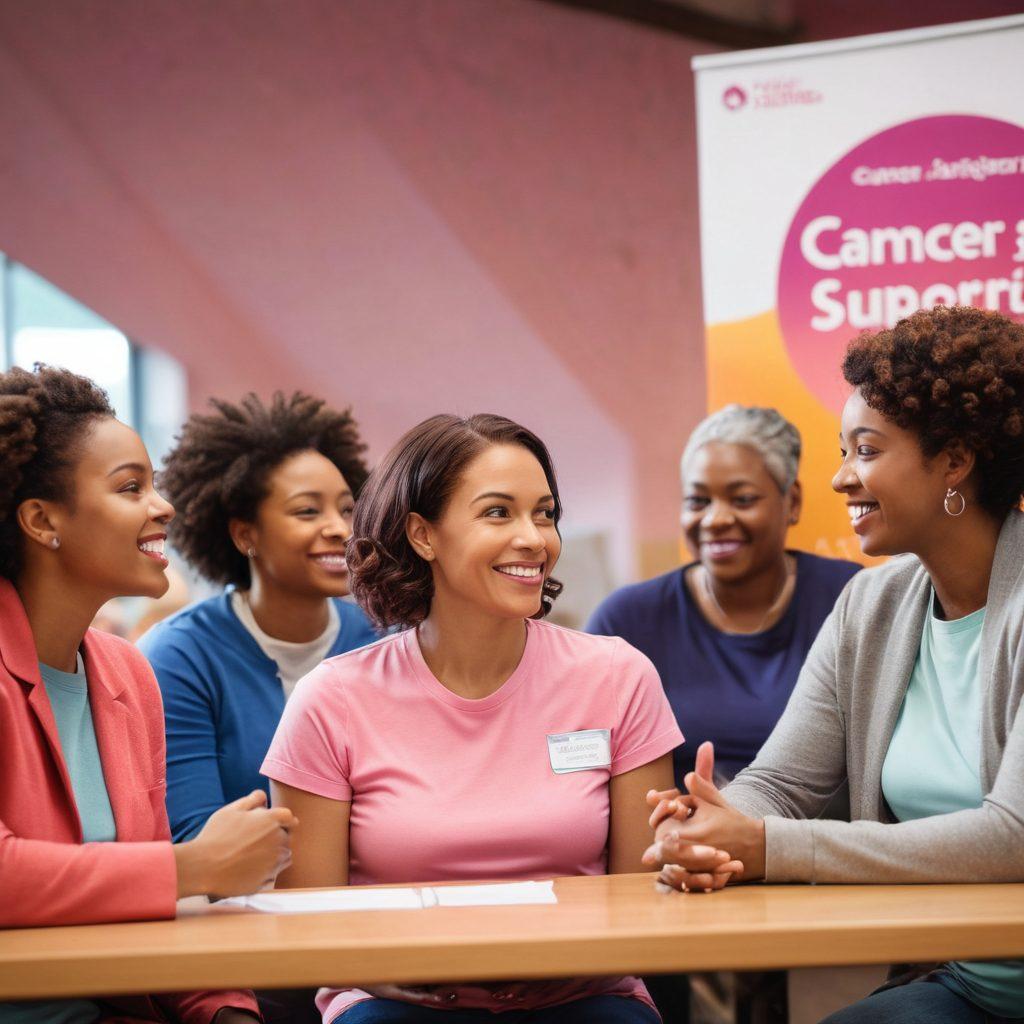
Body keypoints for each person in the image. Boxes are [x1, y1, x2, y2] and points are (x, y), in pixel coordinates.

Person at [647, 307, 1024, 1023]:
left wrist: (767, 845)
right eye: (844, 451)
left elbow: (1014, 836)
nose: (841, 478)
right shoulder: (871, 605)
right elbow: (782, 783)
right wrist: (711, 827)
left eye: (867, 451)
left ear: (955, 460)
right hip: (968, 986)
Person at [262, 413, 696, 1023]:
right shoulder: (331, 699)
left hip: (583, 997)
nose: (534, 539)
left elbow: (639, 899)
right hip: (395, 1003)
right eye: (498, 513)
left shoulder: (619, 677)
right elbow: (306, 918)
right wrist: (378, 968)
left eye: (544, 514)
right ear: (423, 535)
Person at [0, 364, 296, 1024]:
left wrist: (226, 1011)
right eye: (131, 487)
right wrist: (194, 866)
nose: (163, 507)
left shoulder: (128, 674)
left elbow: (162, 911)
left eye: (154, 485)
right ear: (42, 519)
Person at [138, 392, 377, 843]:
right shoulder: (179, 655)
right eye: (308, 511)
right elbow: (196, 837)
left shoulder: (384, 642)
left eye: (348, 509)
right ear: (245, 534)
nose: (341, 529)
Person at [587, 404, 860, 784]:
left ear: (792, 502)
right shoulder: (627, 622)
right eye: (698, 501)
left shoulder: (851, 600)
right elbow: (586, 768)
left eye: (742, 499)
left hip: (816, 823)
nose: (715, 519)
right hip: (671, 821)